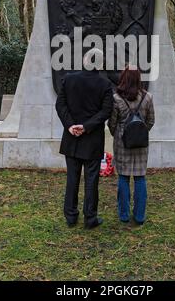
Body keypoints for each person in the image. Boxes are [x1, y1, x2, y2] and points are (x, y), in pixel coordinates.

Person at [55, 48, 113, 229]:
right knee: (91, 180)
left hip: (72, 137)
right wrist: (86, 127)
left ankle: (71, 216)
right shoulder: (105, 84)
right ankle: (90, 218)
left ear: (85, 61)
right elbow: (106, 111)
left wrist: (70, 125)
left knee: (72, 178)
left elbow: (60, 105)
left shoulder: (68, 79)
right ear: (100, 63)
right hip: (92, 139)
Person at [108, 65, 155, 225]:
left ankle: (124, 214)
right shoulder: (148, 97)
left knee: (123, 177)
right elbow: (151, 121)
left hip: (122, 143)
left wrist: (119, 134)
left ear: (124, 78)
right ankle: (140, 216)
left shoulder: (117, 98)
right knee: (140, 178)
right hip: (141, 144)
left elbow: (112, 123)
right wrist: (140, 133)